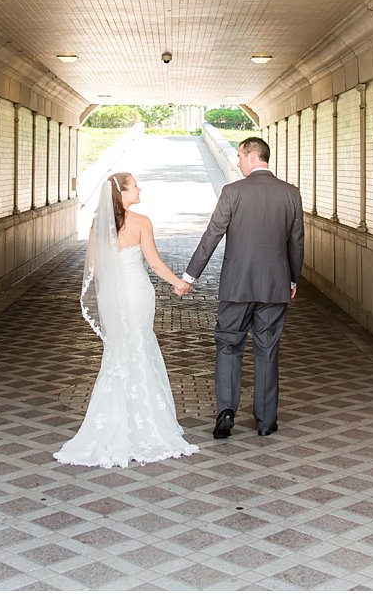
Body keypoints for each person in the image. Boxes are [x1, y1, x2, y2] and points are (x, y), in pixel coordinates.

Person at [54, 172, 199, 468]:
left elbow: (95, 268)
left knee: (117, 353)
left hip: (112, 297)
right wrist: (179, 283)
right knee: (140, 349)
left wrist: (111, 290)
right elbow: (155, 262)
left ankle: (111, 424)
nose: (140, 188)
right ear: (122, 193)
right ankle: (147, 424)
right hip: (136, 294)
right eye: (135, 185)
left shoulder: (98, 225)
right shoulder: (141, 222)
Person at [180, 137, 303, 439]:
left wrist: (190, 276)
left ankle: (226, 412)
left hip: (236, 286)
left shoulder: (232, 192)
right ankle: (265, 421)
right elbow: (296, 242)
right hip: (274, 286)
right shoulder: (290, 194)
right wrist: (292, 280)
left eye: (239, 156)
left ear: (251, 156)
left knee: (228, 345)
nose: (236, 162)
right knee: (267, 350)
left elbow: (213, 235)